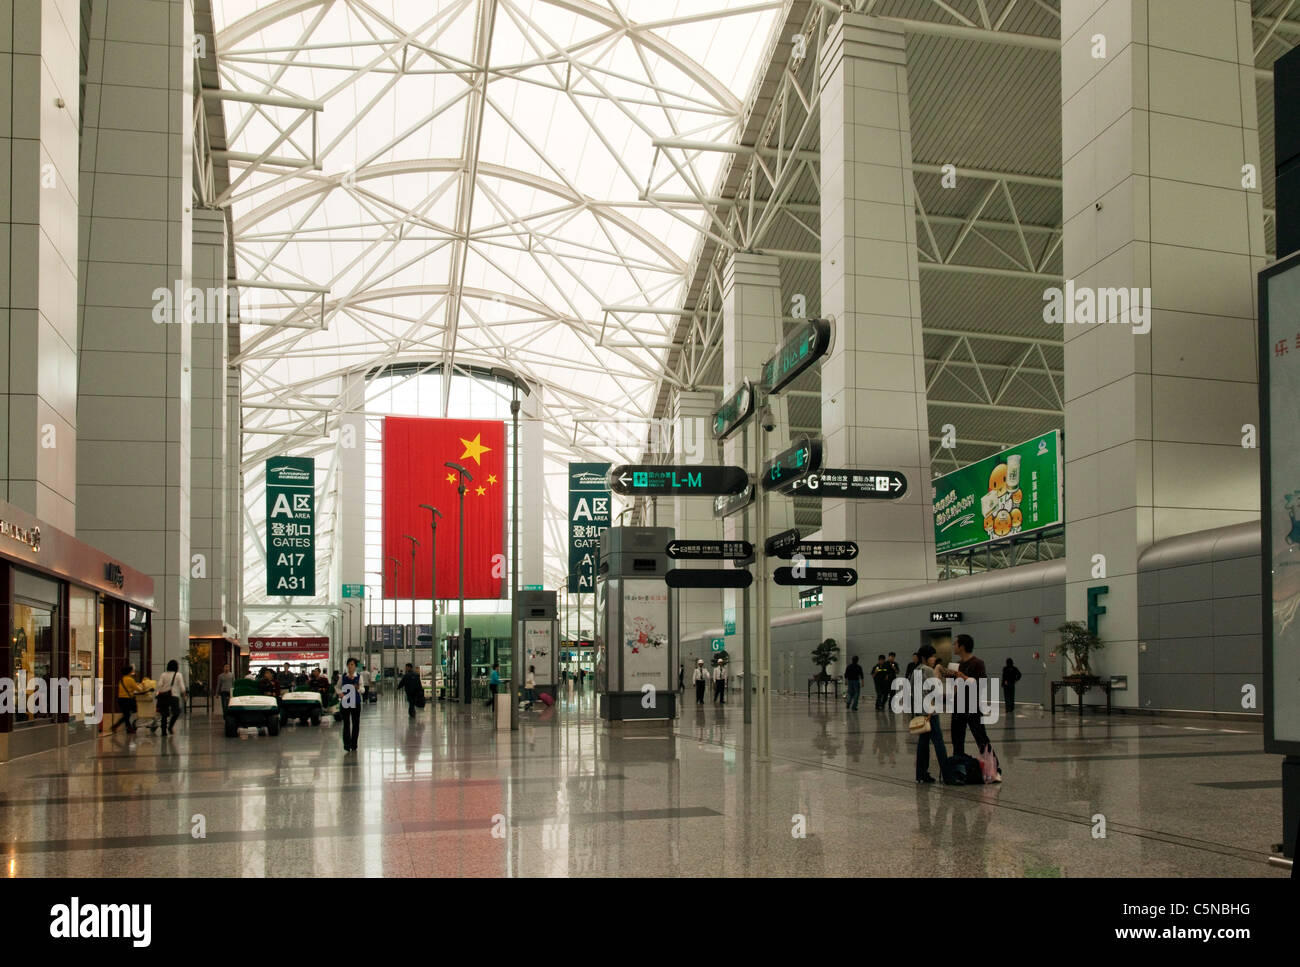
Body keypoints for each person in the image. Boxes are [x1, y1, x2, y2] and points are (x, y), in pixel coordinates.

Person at [913, 644, 953, 784]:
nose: (933, 659)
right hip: (931, 713)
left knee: (923, 743)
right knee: (939, 743)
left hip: (920, 711)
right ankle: (948, 775)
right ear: (924, 657)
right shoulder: (928, 670)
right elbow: (936, 692)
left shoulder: (916, 670)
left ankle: (921, 774)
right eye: (931, 656)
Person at [950, 634, 992, 760]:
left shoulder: (977, 663)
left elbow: (982, 683)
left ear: (962, 646)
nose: (953, 646)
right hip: (958, 706)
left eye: (955, 643)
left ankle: (993, 768)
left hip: (972, 706)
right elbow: (955, 687)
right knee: (957, 739)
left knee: (981, 738)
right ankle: (958, 765)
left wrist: (963, 677)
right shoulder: (957, 664)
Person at [337, 658, 364, 752]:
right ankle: (347, 744)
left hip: (356, 702)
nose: (350, 666)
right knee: (346, 723)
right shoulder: (343, 676)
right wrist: (340, 693)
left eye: (352, 664)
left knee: (356, 723)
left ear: (355, 666)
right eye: (349, 664)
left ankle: (354, 744)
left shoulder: (359, 676)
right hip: (345, 702)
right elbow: (337, 687)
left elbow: (363, 689)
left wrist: (358, 688)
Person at [156, 659, 187, 735]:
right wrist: (184, 695)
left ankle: (163, 731)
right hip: (174, 696)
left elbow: (159, 685)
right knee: (176, 712)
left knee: (164, 714)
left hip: (163, 696)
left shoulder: (163, 674)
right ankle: (170, 726)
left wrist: (164, 689)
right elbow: (182, 687)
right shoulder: (178, 675)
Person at [112, 664, 142, 733]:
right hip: (127, 699)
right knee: (128, 714)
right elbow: (137, 689)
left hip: (121, 699)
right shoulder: (130, 679)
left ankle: (126, 727)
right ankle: (122, 726)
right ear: (129, 672)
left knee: (126, 714)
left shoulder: (122, 679)